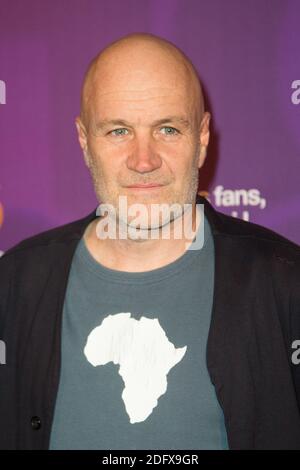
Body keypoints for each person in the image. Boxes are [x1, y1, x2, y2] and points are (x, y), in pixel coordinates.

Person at [0, 32, 300, 450]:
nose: (144, 160)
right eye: (119, 131)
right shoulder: (12, 284)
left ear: (202, 138)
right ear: (85, 142)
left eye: (168, 129)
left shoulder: (286, 284)